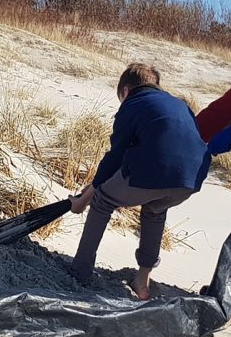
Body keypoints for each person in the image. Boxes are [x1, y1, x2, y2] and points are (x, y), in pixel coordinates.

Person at [69, 63, 211, 300]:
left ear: (125, 90)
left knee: (103, 201)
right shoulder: (179, 104)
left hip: (155, 170)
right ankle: (142, 281)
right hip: (190, 179)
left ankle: (80, 270)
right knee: (155, 211)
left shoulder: (133, 104)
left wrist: (83, 200)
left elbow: (115, 157)